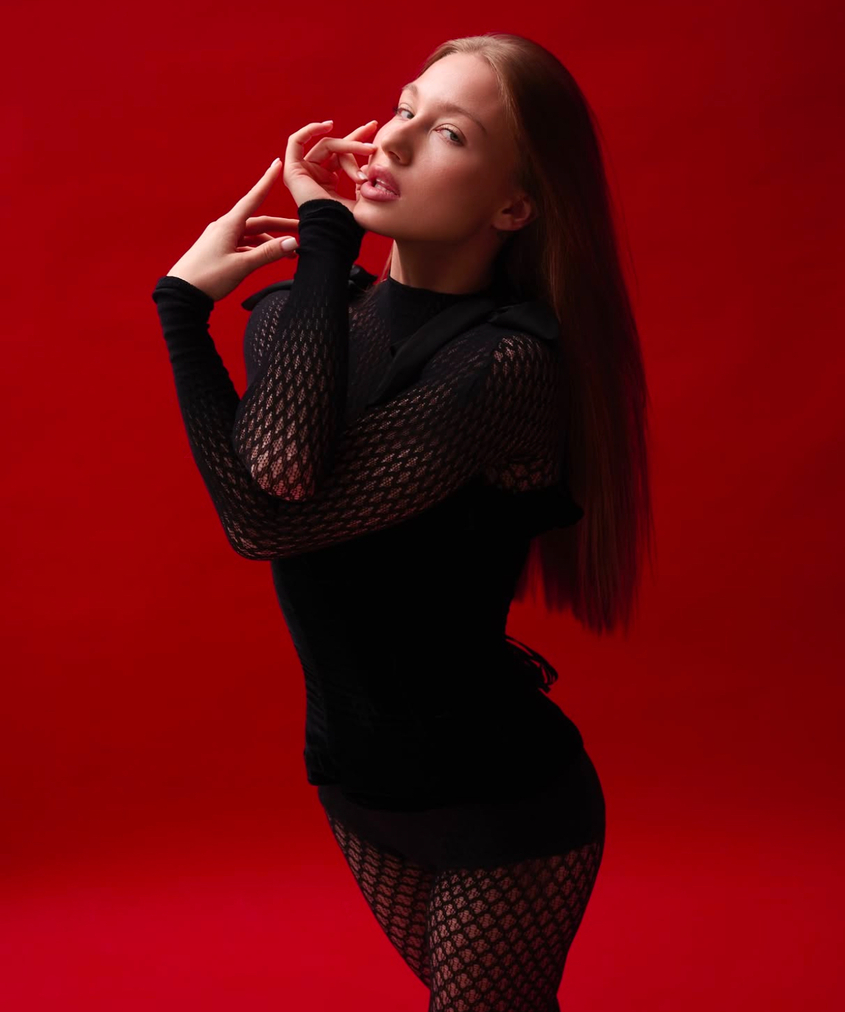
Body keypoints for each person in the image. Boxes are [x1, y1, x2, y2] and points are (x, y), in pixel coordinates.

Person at [152, 31, 654, 1012]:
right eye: (406, 108)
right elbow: (279, 471)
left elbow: (264, 525)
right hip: (356, 785)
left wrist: (189, 315)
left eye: (451, 133)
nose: (395, 139)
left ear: (514, 206)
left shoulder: (507, 365)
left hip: (499, 796)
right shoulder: (307, 313)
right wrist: (226, 288)